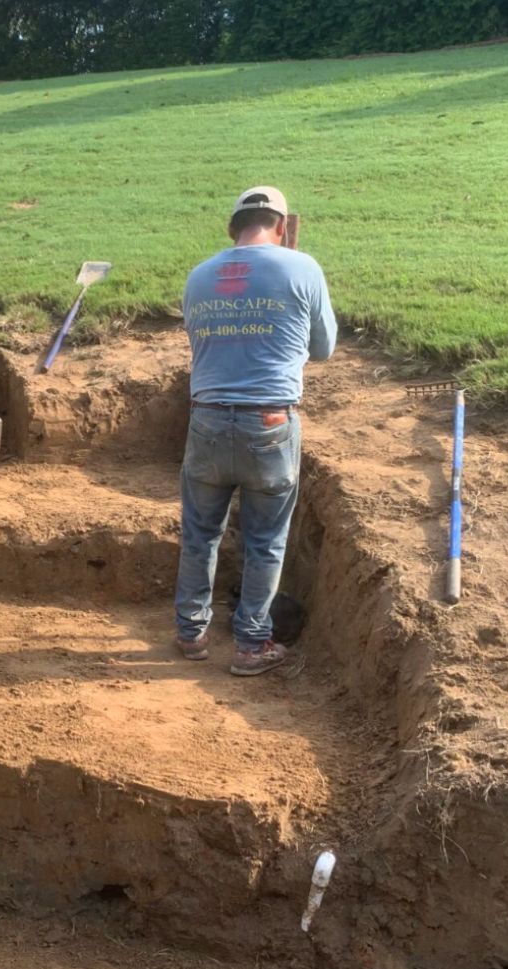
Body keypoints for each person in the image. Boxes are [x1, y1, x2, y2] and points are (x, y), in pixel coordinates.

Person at [174, 186, 336, 676]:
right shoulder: (301, 266)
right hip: (269, 422)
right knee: (265, 540)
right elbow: (324, 348)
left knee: (200, 534)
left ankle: (190, 632)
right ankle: (250, 644)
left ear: (233, 228)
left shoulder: (199, 276)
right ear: (281, 226)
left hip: (205, 419)